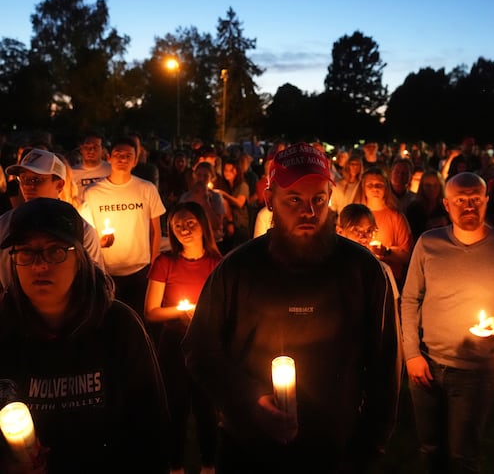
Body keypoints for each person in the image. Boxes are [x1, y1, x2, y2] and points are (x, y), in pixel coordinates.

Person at [182, 142, 402, 473]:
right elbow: (199, 348)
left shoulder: (361, 269)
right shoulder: (238, 269)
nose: (308, 212)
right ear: (270, 200)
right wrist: (250, 397)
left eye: (318, 200)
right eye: (294, 200)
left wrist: (370, 446)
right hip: (249, 446)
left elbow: (386, 363)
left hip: (335, 448)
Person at [0, 198, 169, 473]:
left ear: (80, 257)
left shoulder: (119, 326)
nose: (39, 266)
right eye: (26, 253)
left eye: (55, 251)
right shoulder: (4, 332)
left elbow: (151, 426)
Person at [401, 171, 494, 473]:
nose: (468, 206)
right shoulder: (428, 244)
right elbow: (409, 299)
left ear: (486, 201)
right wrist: (412, 354)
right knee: (429, 448)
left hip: (477, 371)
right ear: (446, 204)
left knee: (462, 456)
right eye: (460, 200)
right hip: (427, 366)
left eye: (474, 199)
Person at [145, 201, 221, 474]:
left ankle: (209, 465)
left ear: (203, 225)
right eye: (178, 225)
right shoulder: (165, 262)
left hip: (205, 345)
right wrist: (179, 312)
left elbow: (223, 309)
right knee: (175, 406)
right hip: (173, 344)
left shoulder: (217, 263)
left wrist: (201, 316)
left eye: (190, 223)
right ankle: (175, 466)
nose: (184, 229)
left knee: (206, 408)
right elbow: (151, 311)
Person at [80, 136, 166, 320]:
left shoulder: (146, 188)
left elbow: (155, 230)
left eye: (128, 155)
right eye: (118, 154)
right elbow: (88, 235)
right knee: (109, 321)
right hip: (106, 271)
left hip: (140, 269)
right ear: (108, 157)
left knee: (139, 320)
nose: (123, 159)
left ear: (135, 161)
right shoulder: (93, 193)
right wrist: (100, 243)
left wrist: (155, 263)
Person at [0, 148, 105, 292]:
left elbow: (95, 283)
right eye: (23, 179)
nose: (28, 186)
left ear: (59, 184)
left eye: (37, 179)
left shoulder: (81, 229)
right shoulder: (4, 223)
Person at [355, 166, 413, 291]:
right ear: (363, 188)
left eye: (379, 185)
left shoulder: (396, 217)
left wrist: (386, 251)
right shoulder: (355, 216)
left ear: (386, 188)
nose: (375, 188)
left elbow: (407, 255)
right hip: (360, 278)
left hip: (389, 280)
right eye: (370, 185)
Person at [70, 133, 111, 205]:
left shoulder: (111, 170)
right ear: (81, 149)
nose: (91, 150)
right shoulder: (72, 173)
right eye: (87, 147)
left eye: (96, 147)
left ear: (102, 150)